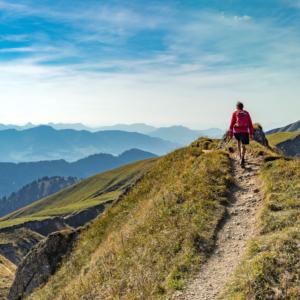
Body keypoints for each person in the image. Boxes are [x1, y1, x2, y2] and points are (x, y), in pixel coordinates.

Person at [229, 102, 254, 166]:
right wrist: (251, 133)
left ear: (237, 107)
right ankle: (242, 157)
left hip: (237, 132)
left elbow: (231, 124)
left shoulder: (234, 113)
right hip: (244, 131)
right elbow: (250, 124)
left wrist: (230, 133)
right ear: (243, 107)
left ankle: (240, 156)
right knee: (243, 145)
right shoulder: (246, 113)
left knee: (238, 143)